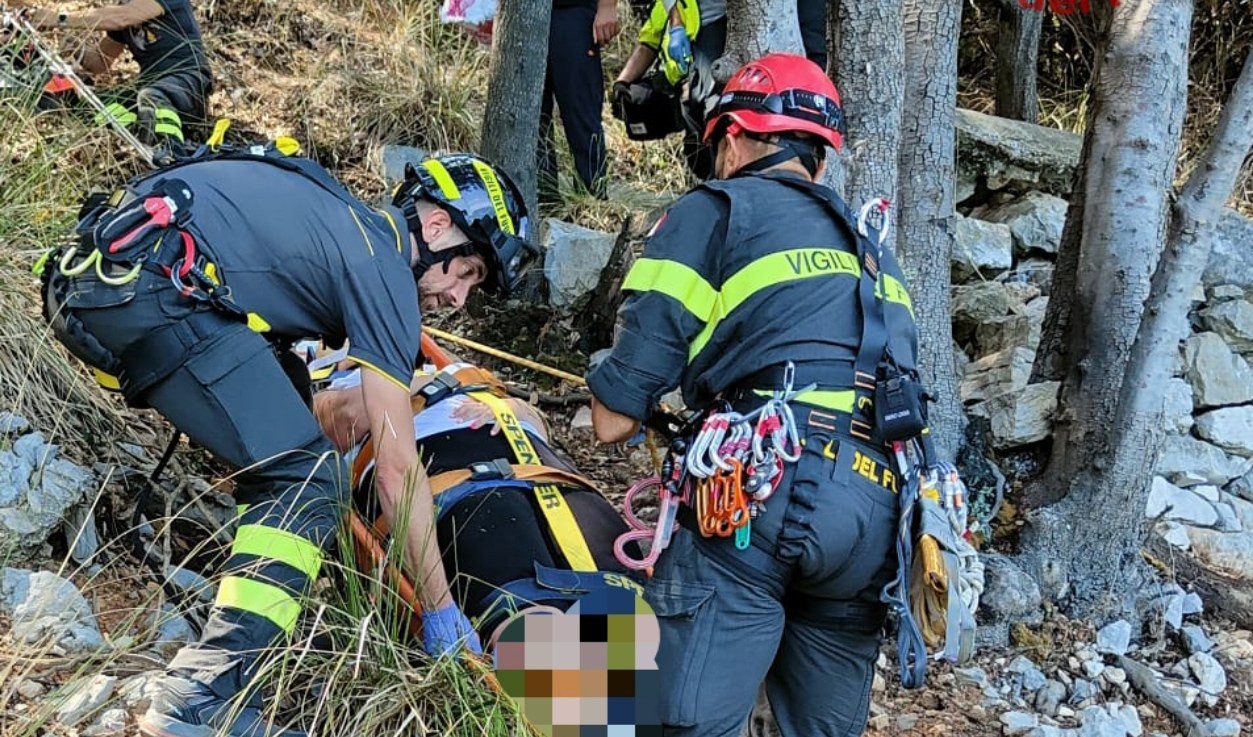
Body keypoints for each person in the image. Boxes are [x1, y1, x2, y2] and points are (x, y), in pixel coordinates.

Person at [39, 148, 537, 737]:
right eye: (468, 272)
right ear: (434, 227)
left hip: (97, 285)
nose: (458, 299)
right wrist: (440, 610)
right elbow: (398, 472)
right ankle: (205, 692)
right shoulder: (383, 269)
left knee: (294, 440)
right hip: (152, 298)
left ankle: (240, 630)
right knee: (308, 480)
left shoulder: (339, 222)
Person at [586, 53, 920, 736]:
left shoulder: (716, 209)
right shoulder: (872, 249)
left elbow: (610, 421)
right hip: (881, 507)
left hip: (768, 489)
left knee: (682, 718)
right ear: (818, 162)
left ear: (731, 137)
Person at [317, 362, 646, 650]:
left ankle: (592, 696)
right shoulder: (365, 378)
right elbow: (333, 418)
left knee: (552, 614)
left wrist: (515, 409)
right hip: (496, 468)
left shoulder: (382, 370)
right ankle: (602, 698)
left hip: (496, 465)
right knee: (550, 610)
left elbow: (540, 423)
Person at [20, 0, 212, 146]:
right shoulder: (125, 8)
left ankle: (171, 151)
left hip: (188, 81)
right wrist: (71, 43)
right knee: (86, 103)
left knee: (153, 98)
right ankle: (136, 134)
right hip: (146, 89)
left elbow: (121, 18)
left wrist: (59, 19)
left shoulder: (137, 10)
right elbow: (98, 63)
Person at [538, 0, 620, 202]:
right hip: (523, 16)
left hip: (573, 10)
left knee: (580, 111)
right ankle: (543, 202)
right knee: (532, 119)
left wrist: (607, 6)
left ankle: (592, 199)